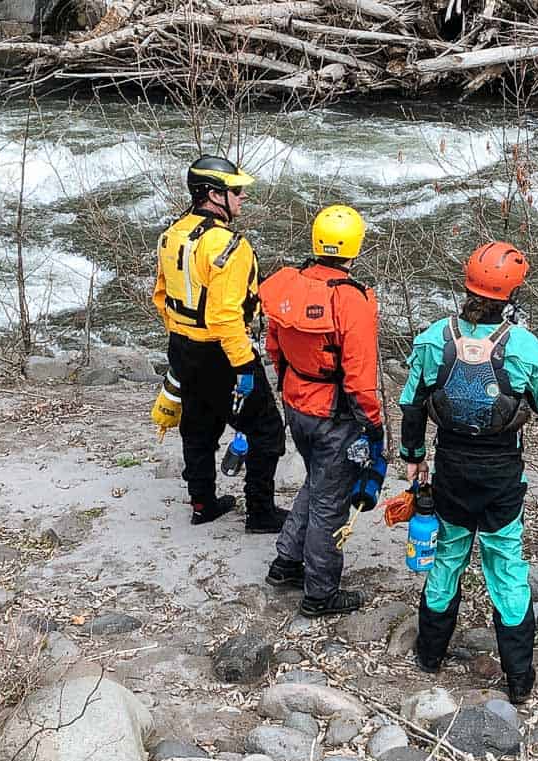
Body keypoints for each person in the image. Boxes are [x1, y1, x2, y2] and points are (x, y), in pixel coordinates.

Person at [398, 242, 538, 705]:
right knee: (506, 568)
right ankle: (518, 679)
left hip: (451, 471)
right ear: (511, 297)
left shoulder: (433, 339)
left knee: (448, 557)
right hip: (501, 475)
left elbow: (413, 401)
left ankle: (429, 655)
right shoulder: (522, 345)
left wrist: (414, 454)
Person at [259, 205, 383, 618]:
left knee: (318, 483)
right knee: (332, 501)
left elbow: (274, 348)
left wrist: (292, 387)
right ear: (355, 247)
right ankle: (320, 592)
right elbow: (361, 376)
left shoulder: (285, 285)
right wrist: (373, 422)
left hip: (297, 403)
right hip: (335, 415)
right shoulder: (354, 300)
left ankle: (286, 562)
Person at [153, 155, 286, 531]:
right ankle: (260, 512)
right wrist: (244, 365)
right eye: (236, 191)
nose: (242, 197)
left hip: (182, 346)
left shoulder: (171, 235)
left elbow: (161, 297)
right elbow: (226, 315)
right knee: (267, 430)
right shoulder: (229, 246)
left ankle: (202, 503)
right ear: (213, 195)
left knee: (198, 426)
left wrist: (181, 339)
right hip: (222, 354)